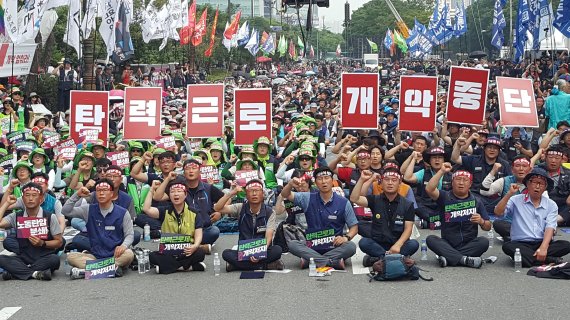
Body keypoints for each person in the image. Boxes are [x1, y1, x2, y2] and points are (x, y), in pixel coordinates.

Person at [281, 167, 358, 269]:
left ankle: (311, 260)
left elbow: (354, 227)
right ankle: (331, 262)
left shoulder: (343, 202)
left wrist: (345, 238)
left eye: (326, 178)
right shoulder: (307, 197)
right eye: (320, 179)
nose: (324, 182)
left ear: (332, 180)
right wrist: (290, 184)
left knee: (351, 247)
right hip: (312, 245)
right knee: (292, 244)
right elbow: (285, 194)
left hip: (335, 245)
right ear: (315, 183)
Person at [62, 180, 135, 279]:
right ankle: (110, 269)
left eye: (105, 190)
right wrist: (77, 195)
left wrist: (123, 246)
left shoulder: (123, 212)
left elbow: (130, 235)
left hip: (115, 255)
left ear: (112, 193)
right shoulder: (88, 209)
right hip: (95, 255)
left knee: (129, 254)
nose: (101, 193)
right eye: (98, 190)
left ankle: (90, 270)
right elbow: (65, 211)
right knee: (71, 257)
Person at [498, 168, 570, 267]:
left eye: (541, 183)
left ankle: (528, 259)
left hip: (542, 242)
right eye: (534, 182)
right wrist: (509, 194)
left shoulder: (551, 204)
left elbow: (550, 227)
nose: (537, 186)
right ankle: (547, 259)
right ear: (527, 184)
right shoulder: (515, 200)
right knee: (507, 246)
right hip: (521, 243)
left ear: (545, 187)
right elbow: (499, 212)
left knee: (565, 245)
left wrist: (544, 247)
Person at [425, 163, 492, 268]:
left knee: (484, 242)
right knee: (431, 239)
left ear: (470, 184)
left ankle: (449, 257)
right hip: (448, 243)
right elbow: (429, 189)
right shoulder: (444, 196)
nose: (461, 183)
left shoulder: (477, 201)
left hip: (469, 244)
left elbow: (488, 226)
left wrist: (481, 221)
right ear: (452, 182)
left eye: (465, 180)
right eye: (458, 179)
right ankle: (464, 259)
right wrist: (442, 171)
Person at [351, 169, 418, 267]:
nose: (390, 183)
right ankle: (397, 258)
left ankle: (379, 258)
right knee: (364, 242)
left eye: (394, 180)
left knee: (413, 244)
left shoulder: (408, 204)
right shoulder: (375, 199)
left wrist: (398, 245)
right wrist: (362, 179)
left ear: (400, 183)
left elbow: (408, 229)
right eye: (386, 180)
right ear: (381, 183)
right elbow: (354, 198)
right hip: (379, 242)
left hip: (398, 244)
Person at [214, 179, 284, 271]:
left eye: (257, 191)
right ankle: (264, 266)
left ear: (263, 194)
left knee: (277, 250)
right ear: (246, 195)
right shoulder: (240, 207)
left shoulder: (270, 212)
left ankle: (237, 265)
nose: (254, 194)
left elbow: (269, 237)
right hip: (245, 250)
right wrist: (231, 193)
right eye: (251, 191)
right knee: (226, 254)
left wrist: (259, 252)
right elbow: (217, 208)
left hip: (263, 249)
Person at [0, 184, 62, 281]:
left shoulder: (50, 217)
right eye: (27, 195)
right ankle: (35, 273)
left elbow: (59, 242)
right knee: (1, 259)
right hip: (23, 258)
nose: (30, 198)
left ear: (41, 199)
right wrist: (7, 203)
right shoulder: (16, 216)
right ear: (23, 199)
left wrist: (42, 243)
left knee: (54, 259)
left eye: (34, 195)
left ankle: (16, 273)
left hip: (44, 257)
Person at [143, 179, 207, 274]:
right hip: (168, 252)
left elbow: (198, 233)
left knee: (200, 253)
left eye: (179, 191)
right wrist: (152, 189)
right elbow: (146, 209)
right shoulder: (164, 211)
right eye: (172, 192)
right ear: (169, 195)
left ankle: (168, 267)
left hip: (187, 251)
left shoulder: (194, 213)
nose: (176, 194)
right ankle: (187, 267)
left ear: (185, 195)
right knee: (152, 256)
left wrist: (195, 245)